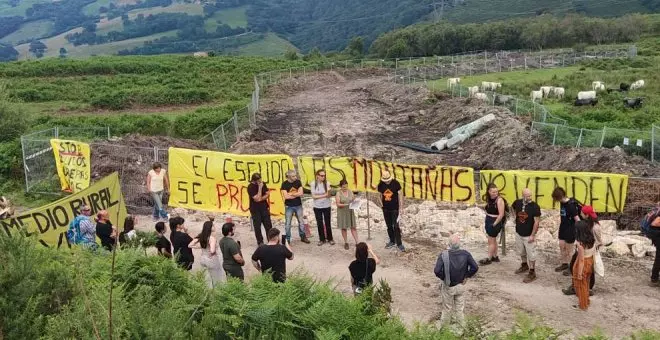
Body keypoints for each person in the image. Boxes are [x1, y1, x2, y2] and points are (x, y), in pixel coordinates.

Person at [434, 234, 479, 330]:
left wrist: (444, 278)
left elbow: (437, 271)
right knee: (459, 309)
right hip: (461, 285)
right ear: (459, 244)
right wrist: (467, 276)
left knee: (447, 308)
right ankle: (462, 329)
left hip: (448, 286)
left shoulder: (443, 255)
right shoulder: (465, 254)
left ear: (449, 244)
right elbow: (475, 267)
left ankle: (444, 331)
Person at [563, 205, 602, 295]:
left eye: (581, 212)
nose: (580, 213)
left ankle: (587, 288)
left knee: (588, 270)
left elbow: (599, 241)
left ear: (587, 215)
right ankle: (576, 286)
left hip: (588, 250)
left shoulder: (595, 227)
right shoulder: (587, 223)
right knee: (574, 266)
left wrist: (589, 248)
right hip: (581, 248)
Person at [511, 188, 541, 282]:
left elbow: (536, 222)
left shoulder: (535, 206)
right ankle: (524, 265)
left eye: (530, 195)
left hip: (528, 234)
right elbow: (512, 207)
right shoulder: (518, 202)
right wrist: (514, 217)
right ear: (523, 195)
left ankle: (532, 272)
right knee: (521, 251)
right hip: (519, 232)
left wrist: (533, 235)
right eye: (527, 196)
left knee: (531, 254)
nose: (530, 197)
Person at [552, 187, 581, 274]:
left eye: (556, 199)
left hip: (570, 229)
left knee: (569, 250)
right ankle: (565, 263)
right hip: (563, 227)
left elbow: (577, 219)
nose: (556, 201)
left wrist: (580, 232)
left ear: (560, 197)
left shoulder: (571, 205)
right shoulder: (562, 203)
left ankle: (571, 267)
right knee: (562, 246)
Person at [189, 221, 225, 287]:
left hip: (203, 258)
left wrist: (199, 247)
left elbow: (190, 245)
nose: (214, 227)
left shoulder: (201, 236)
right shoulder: (212, 238)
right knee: (217, 279)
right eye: (213, 225)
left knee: (207, 279)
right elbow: (212, 250)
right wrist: (213, 252)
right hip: (211, 260)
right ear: (210, 228)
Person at [377, 169, 405, 251]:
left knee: (396, 226)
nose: (387, 182)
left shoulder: (395, 183)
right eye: (385, 180)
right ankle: (392, 241)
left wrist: (401, 207)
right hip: (385, 209)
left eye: (388, 180)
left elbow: (400, 194)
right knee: (389, 226)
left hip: (395, 208)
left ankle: (399, 243)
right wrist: (380, 204)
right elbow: (379, 195)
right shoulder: (381, 184)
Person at [280, 170, 310, 244]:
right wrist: (296, 194)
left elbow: (301, 193)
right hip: (289, 206)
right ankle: (288, 239)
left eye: (295, 175)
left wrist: (291, 194)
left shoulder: (298, 182)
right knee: (288, 224)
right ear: (289, 177)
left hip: (298, 205)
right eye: (293, 176)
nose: (295, 177)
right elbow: (286, 197)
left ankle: (303, 236)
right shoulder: (284, 184)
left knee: (301, 222)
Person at [572, 221, 596, 311]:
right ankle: (586, 301)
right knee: (586, 283)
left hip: (583, 263)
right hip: (590, 261)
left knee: (581, 284)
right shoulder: (591, 239)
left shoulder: (580, 243)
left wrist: (579, 273)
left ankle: (583, 304)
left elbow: (581, 259)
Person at [480, 183, 505, 265]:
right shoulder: (489, 199)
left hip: (495, 221)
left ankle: (489, 258)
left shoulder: (499, 200)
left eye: (496, 192)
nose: (495, 194)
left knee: (490, 241)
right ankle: (495, 256)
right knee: (493, 240)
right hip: (489, 219)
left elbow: (501, 214)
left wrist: (494, 224)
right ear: (489, 191)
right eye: (493, 192)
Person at [247, 173, 273, 245]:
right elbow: (256, 198)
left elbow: (267, 194)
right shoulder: (250, 187)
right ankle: (260, 242)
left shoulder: (263, 183)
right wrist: (260, 188)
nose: (260, 181)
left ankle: (270, 240)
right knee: (257, 227)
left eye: (260, 179)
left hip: (264, 207)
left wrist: (261, 198)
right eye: (258, 180)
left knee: (268, 225)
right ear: (254, 180)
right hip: (255, 210)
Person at [311, 169, 334, 246]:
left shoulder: (327, 183)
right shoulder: (313, 183)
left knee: (328, 223)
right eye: (321, 175)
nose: (323, 177)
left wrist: (328, 193)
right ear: (317, 176)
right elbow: (313, 196)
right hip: (317, 207)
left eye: (324, 175)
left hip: (326, 206)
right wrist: (324, 195)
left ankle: (330, 238)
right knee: (319, 223)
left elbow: (329, 195)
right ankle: (322, 239)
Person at [336, 179, 359, 250]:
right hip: (342, 212)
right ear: (341, 187)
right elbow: (338, 204)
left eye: (346, 186)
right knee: (344, 227)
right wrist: (347, 204)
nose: (345, 188)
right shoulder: (338, 193)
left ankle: (357, 242)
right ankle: (346, 242)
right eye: (343, 187)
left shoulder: (350, 191)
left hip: (350, 211)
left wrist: (355, 201)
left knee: (353, 227)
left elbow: (352, 200)